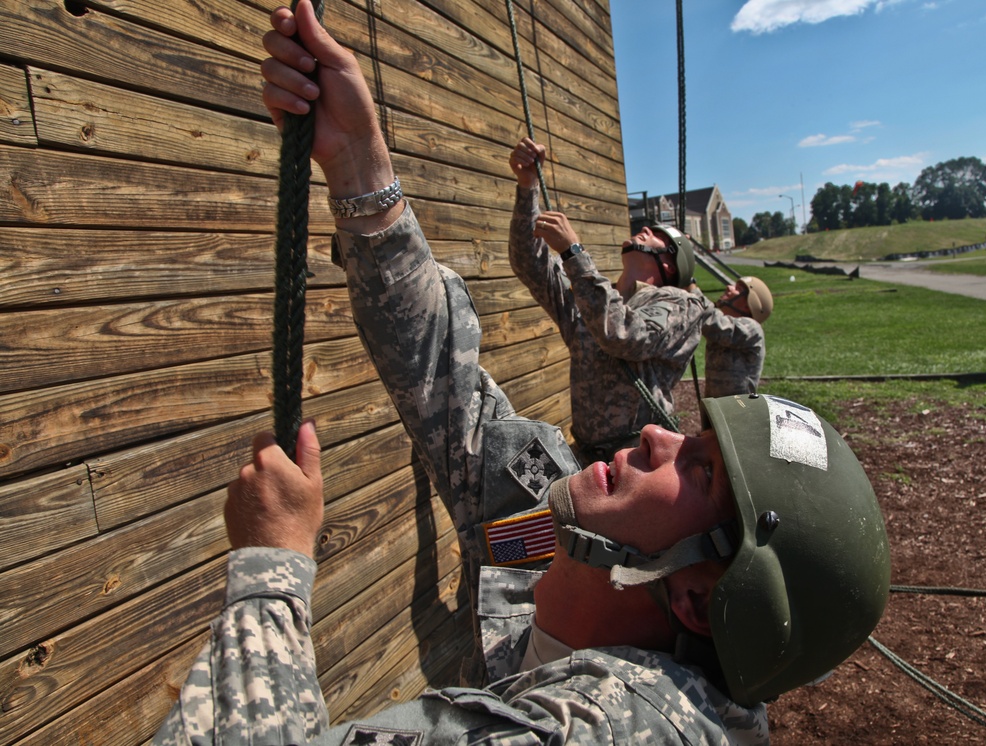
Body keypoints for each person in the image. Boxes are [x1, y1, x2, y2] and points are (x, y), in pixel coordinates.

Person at [154, 3, 890, 744]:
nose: (658, 438)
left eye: (697, 471)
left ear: (700, 599)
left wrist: (268, 571)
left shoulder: (630, 728)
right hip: (586, 457)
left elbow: (617, 328)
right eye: (689, 439)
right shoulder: (559, 534)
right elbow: (456, 369)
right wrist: (361, 165)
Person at [509, 137, 711, 464]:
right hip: (588, 461)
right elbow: (528, 264)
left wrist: (574, 253)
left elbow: (625, 335)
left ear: (669, 264)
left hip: (640, 463)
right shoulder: (595, 298)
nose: (646, 228)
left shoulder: (681, 305)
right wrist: (527, 186)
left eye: (657, 234)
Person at [701, 275, 772, 399]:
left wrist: (692, 294)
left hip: (739, 411)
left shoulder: (752, 328)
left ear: (748, 304)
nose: (729, 287)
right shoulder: (726, 323)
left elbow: (716, 325)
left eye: (737, 288)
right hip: (717, 410)